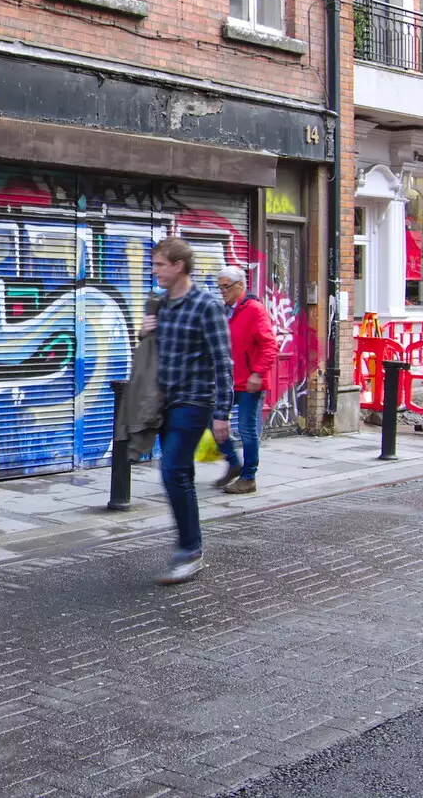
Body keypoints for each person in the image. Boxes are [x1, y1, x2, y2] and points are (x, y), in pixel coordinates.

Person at [140, 238, 232, 585]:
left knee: (173, 470)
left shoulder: (206, 305)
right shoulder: (161, 305)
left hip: (194, 401)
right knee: (181, 475)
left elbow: (223, 361)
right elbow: (152, 354)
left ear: (179, 266)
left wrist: (222, 413)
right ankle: (190, 545)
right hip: (164, 400)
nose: (155, 270)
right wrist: (144, 332)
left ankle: (190, 551)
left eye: (160, 264)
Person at [215, 265, 277, 496]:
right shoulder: (225, 311)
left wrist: (257, 373)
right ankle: (234, 462)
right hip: (228, 383)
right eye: (219, 286)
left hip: (250, 382)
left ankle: (248, 477)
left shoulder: (254, 310)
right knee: (213, 421)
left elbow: (270, 346)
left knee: (247, 430)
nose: (222, 291)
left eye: (226, 286)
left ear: (240, 285)